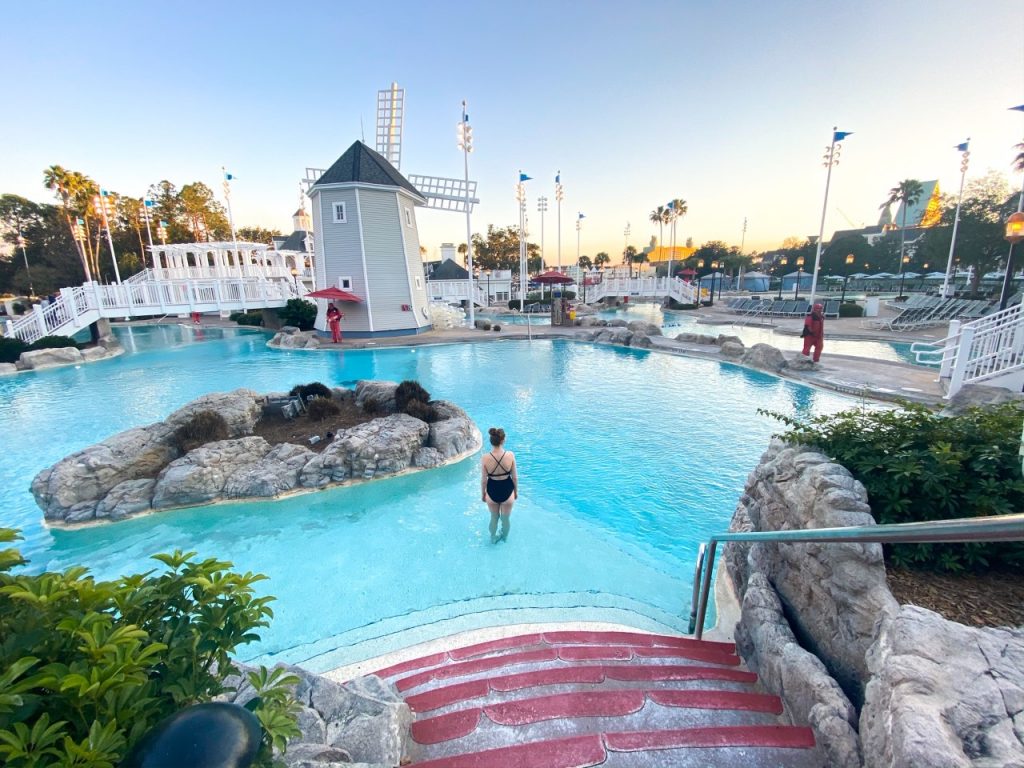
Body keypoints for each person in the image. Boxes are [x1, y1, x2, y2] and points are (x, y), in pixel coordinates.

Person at [481, 427, 518, 544]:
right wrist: (515, 492)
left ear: (491, 441)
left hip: (492, 490)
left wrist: (483, 494)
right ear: (503, 440)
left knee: (494, 518)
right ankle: (504, 538)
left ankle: (493, 538)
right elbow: (515, 477)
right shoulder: (510, 455)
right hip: (507, 489)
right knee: (505, 519)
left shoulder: (485, 458)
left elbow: (483, 480)